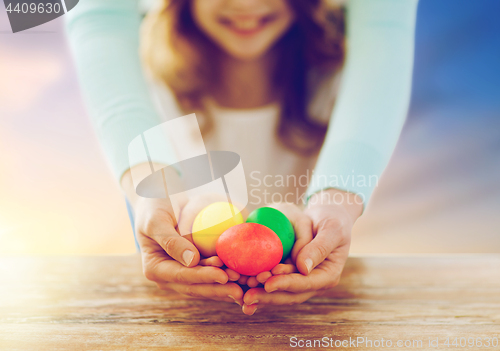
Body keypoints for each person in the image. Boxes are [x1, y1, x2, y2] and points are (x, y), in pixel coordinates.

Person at [65, 0, 418, 315]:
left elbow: (386, 25)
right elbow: (96, 13)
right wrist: (157, 194)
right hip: (182, 311)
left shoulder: (337, 80)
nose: (245, 4)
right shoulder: (151, 84)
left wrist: (336, 205)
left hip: (324, 303)